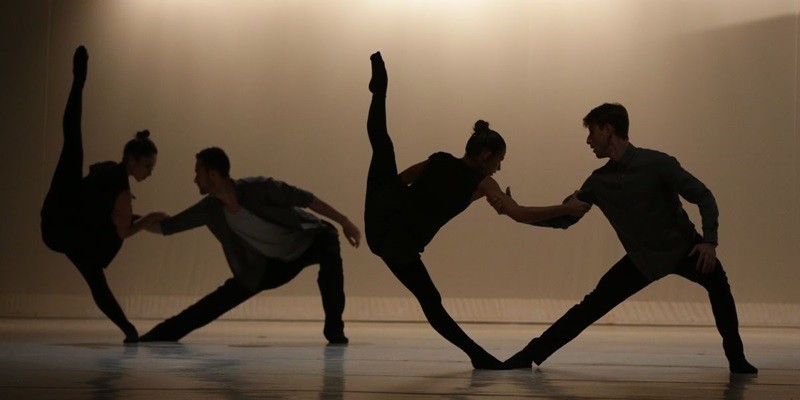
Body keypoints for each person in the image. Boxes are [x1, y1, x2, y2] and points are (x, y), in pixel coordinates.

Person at [364, 52, 590, 369]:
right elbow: (521, 214)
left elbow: (401, 181)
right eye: (499, 159)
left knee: (382, 146)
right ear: (486, 155)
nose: (500, 166)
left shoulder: (440, 160)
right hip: (399, 243)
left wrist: (411, 206)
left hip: (381, 218)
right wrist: (563, 207)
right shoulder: (483, 184)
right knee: (432, 304)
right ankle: (478, 356)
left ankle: (380, 90)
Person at [496, 103, 758, 374]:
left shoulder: (658, 163)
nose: (588, 140)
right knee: (591, 306)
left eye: (592, 132)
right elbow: (564, 218)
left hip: (684, 249)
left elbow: (703, 196)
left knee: (719, 285)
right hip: (642, 260)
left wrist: (709, 241)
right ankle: (528, 355)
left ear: (608, 130)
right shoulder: (597, 182)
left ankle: (736, 360)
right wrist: (518, 214)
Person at [140, 147, 360, 344]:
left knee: (329, 253)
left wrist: (344, 221)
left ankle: (335, 331)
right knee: (220, 299)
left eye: (198, 173)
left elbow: (306, 199)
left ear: (213, 175)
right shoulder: (210, 209)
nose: (195, 179)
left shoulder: (259, 188)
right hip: (273, 265)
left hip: (308, 241)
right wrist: (134, 221)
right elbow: (168, 227)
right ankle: (159, 335)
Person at [40, 46, 166, 343]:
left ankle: (128, 330)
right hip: (63, 222)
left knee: (73, 141)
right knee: (97, 279)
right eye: (148, 166)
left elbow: (114, 217)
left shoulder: (113, 175)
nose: (149, 172)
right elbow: (123, 230)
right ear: (133, 160)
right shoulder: (121, 189)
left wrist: (141, 218)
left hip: (64, 223)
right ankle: (129, 330)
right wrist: (147, 220)